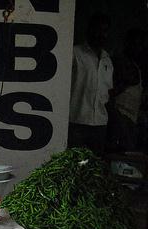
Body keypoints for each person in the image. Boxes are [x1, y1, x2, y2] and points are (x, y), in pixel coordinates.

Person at [68, 12, 113, 156]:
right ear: (89, 30)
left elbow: (107, 91)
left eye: (105, 31)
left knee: (94, 166)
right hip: (77, 120)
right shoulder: (75, 53)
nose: (102, 34)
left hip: (99, 123)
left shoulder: (107, 60)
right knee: (75, 163)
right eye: (98, 30)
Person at [108, 28, 146, 151]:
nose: (138, 48)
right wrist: (125, 82)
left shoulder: (135, 65)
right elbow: (110, 91)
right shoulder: (119, 62)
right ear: (127, 44)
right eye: (135, 44)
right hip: (120, 117)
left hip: (130, 119)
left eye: (140, 45)